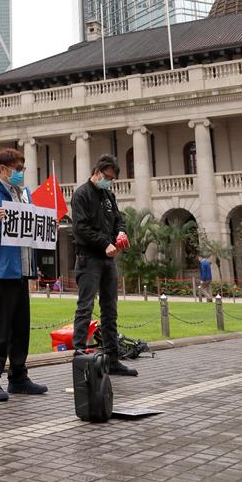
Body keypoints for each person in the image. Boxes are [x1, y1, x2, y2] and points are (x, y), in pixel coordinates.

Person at [0, 147, 49, 402]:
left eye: (22, 169)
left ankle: (18, 376)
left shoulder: (24, 193)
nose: (20, 173)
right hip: (1, 269)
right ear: (3, 169)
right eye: (17, 169)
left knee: (20, 326)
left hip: (23, 267)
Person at [72, 153, 138, 377]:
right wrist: (103, 243)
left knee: (110, 310)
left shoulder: (108, 195)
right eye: (107, 177)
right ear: (97, 172)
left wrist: (120, 232)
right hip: (88, 258)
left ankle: (112, 358)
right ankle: (80, 356)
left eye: (112, 179)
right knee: (85, 308)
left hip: (108, 258)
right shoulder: (81, 195)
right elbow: (81, 228)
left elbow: (119, 219)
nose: (109, 181)